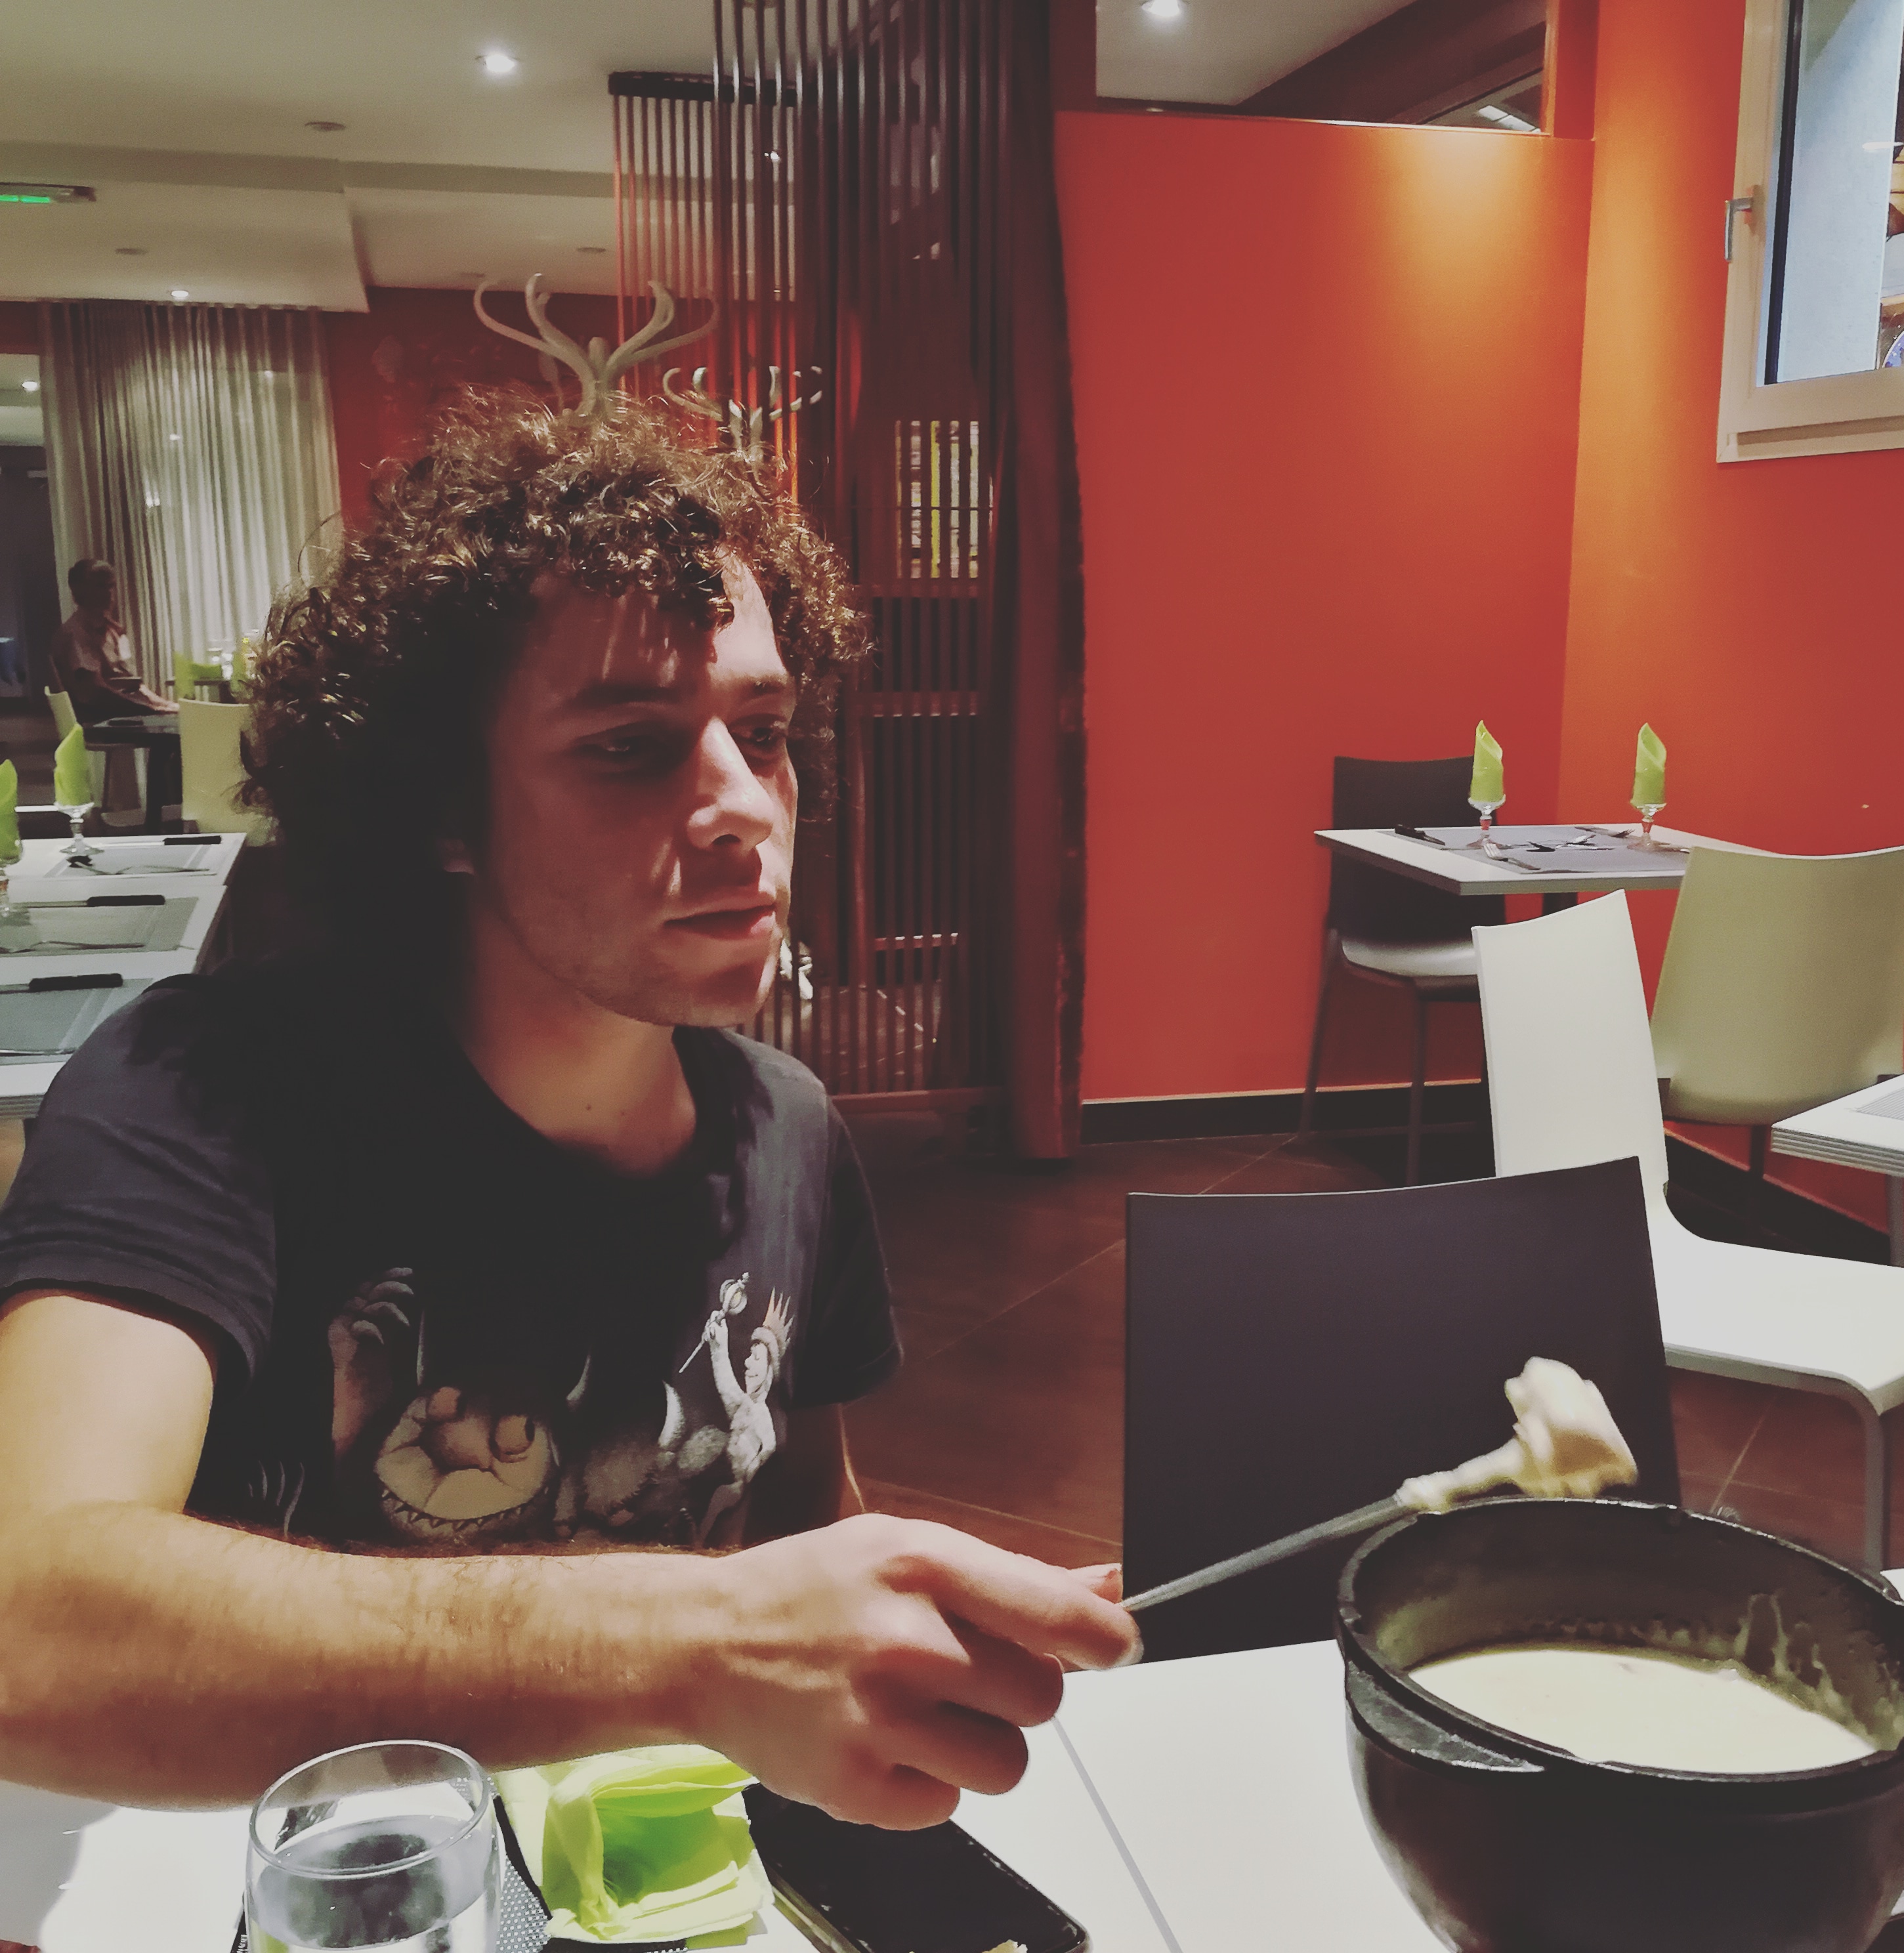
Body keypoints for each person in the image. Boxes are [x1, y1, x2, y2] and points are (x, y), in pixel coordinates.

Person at [0, 397, 1136, 1818]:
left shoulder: (789, 1131)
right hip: (324, 1885)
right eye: (628, 746)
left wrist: (911, 1634)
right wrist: (694, 1643)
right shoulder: (202, 1093)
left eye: (766, 733)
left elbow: (794, 1536)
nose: (744, 807)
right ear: (442, 809)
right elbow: (28, 1623)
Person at [46, 558, 179, 822]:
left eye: (111, 586)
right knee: (172, 735)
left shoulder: (112, 630)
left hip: (120, 713)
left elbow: (135, 683)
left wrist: (165, 705)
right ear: (78, 590)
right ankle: (162, 816)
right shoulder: (75, 634)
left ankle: (166, 812)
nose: (108, 593)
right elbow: (97, 693)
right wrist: (154, 709)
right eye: (100, 586)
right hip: (98, 720)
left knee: (179, 725)